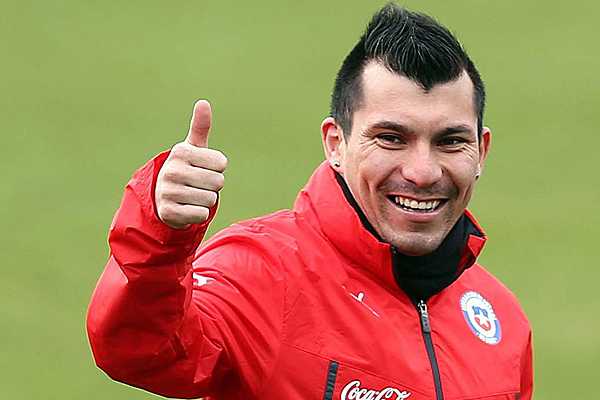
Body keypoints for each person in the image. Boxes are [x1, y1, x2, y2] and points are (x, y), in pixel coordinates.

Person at [87, 4, 533, 400]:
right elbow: (139, 351)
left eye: (450, 141)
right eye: (391, 138)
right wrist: (162, 235)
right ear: (335, 144)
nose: (423, 172)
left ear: (482, 151)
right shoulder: (259, 273)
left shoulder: (501, 321)